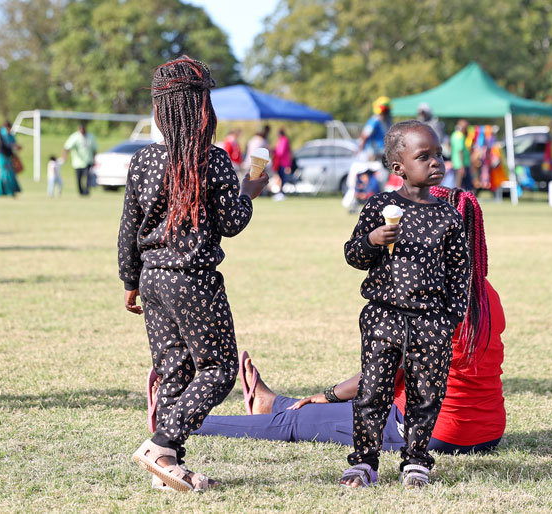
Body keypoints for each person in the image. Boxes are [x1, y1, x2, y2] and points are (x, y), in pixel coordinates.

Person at [191, 190, 505, 465]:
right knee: (310, 410)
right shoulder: (485, 292)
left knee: (291, 425)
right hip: (488, 431)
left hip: (438, 433)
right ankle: (270, 402)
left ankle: (185, 421)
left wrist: (328, 395)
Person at [118, 56, 268, 493]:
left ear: (161, 111)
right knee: (219, 369)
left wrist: (130, 281)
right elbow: (232, 222)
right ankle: (161, 445)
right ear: (204, 110)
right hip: (193, 280)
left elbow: (129, 226)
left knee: (174, 370)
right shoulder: (213, 161)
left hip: (152, 278)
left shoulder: (142, 161)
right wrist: (250, 190)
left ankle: (169, 468)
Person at [340, 120, 470, 488]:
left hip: (432, 320)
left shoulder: (448, 215)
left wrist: (451, 318)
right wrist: (374, 239)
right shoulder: (380, 205)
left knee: (426, 393)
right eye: (423, 156)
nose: (435, 163)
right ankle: (364, 461)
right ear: (398, 168)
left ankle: (416, 461)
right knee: (373, 390)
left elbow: (460, 272)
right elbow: (353, 256)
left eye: (438, 155)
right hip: (384, 315)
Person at [0, 121, 22, 197]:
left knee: (9, 173)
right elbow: (2, 146)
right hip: (1, 156)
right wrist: (12, 146)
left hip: (8, 156)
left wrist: (15, 148)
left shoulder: (10, 135)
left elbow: (11, 145)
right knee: (3, 174)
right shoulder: (1, 134)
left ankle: (9, 192)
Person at [63, 123, 97, 196]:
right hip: (78, 162)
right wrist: (64, 157)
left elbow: (94, 149)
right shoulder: (75, 137)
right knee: (79, 179)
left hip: (88, 161)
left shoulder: (90, 136)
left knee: (88, 177)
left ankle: (87, 191)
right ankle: (81, 192)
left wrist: (95, 160)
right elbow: (66, 147)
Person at [450, 120, 473, 191]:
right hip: (461, 164)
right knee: (460, 185)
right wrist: (462, 166)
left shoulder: (454, 134)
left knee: (460, 184)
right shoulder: (459, 136)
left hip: (457, 163)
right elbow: (460, 151)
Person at [272, 128, 293, 201]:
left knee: (282, 178)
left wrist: (274, 152)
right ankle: (280, 192)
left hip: (283, 163)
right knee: (280, 178)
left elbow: (281, 152)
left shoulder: (284, 140)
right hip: (280, 162)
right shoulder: (282, 140)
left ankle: (281, 193)